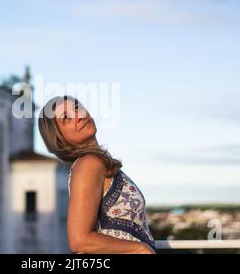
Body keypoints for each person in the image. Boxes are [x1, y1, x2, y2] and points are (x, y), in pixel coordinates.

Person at [38, 95, 156, 254]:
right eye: (66, 117)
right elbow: (79, 241)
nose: (78, 116)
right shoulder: (89, 164)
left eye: (77, 108)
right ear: (59, 139)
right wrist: (141, 249)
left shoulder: (94, 163)